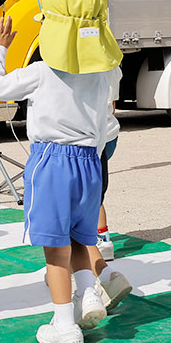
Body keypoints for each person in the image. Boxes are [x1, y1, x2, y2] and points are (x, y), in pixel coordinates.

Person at [0, 0, 124, 343]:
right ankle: (89, 294)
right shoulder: (106, 72)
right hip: (90, 163)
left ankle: (64, 326)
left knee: (55, 252)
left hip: (52, 163)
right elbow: (109, 63)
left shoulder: (41, 73)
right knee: (80, 239)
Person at [86, 67, 132, 312]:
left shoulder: (72, 62)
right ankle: (102, 241)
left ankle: (92, 283)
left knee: (70, 217)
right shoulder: (112, 64)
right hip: (107, 131)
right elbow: (112, 104)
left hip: (80, 140)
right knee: (94, 194)